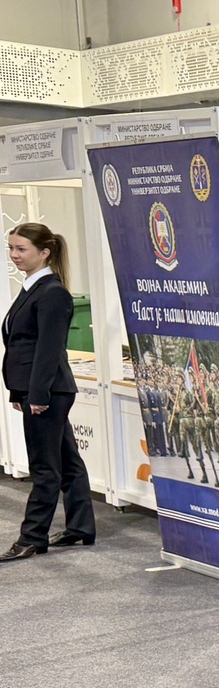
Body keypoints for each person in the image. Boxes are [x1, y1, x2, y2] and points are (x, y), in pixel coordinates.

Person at [2, 223, 95, 561]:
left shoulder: (52, 292)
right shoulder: (32, 288)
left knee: (44, 467)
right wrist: (18, 391)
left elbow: (48, 350)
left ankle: (32, 537)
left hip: (48, 391)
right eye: (11, 248)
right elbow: (22, 344)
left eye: (21, 249)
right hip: (37, 388)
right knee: (67, 460)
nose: (14, 255)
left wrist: (38, 395)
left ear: (44, 252)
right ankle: (80, 527)